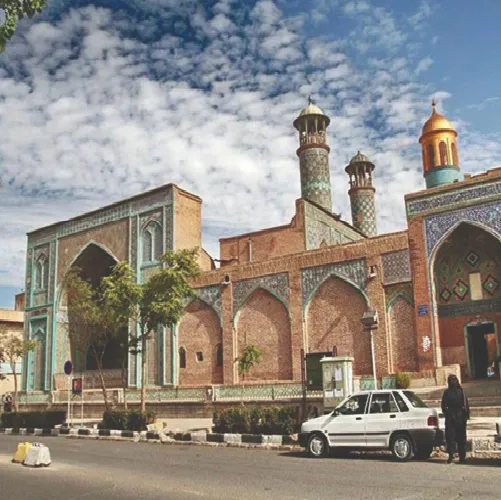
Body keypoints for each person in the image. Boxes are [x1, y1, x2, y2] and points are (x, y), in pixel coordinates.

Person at [441, 374, 470, 464]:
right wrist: (466, 416)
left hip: (451, 417)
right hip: (460, 417)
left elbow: (443, 406)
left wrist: (447, 413)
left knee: (450, 437)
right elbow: (466, 405)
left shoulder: (447, 392)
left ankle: (451, 456)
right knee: (461, 437)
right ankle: (462, 457)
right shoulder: (461, 392)